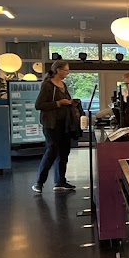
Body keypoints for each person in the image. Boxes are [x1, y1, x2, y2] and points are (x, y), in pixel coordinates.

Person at [32, 60, 78, 193]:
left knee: (64, 152)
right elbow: (39, 105)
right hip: (51, 124)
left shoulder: (63, 85)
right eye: (66, 70)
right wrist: (58, 103)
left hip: (65, 123)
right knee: (52, 150)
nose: (68, 73)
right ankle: (39, 182)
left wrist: (70, 102)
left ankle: (60, 181)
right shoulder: (47, 85)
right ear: (58, 70)